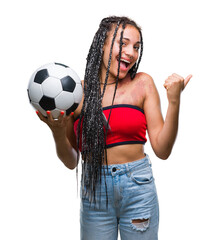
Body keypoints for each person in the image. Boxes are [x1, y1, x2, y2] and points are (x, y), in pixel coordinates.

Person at [36, 16, 192, 240]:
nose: (131, 52)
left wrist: (174, 101)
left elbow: (163, 150)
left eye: (137, 47)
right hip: (95, 190)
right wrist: (58, 132)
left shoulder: (143, 83)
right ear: (102, 44)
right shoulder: (75, 93)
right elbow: (71, 161)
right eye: (124, 43)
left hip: (138, 187)